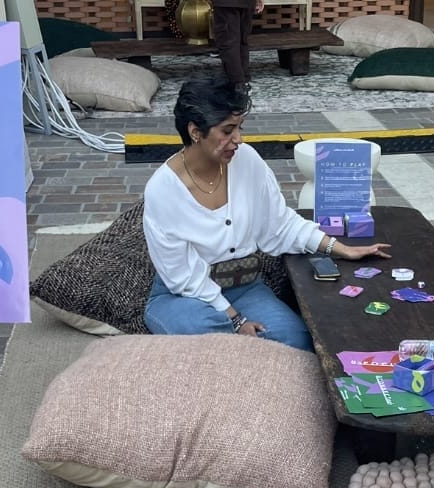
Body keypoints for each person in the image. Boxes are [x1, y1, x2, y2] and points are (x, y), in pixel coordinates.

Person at [142, 76, 391, 352]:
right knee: (212, 340)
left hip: (245, 288)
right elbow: (182, 276)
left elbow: (280, 225)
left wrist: (339, 248)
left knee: (297, 340)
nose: (238, 139)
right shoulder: (162, 190)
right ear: (195, 131)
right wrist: (236, 321)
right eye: (227, 130)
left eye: (239, 128)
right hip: (184, 295)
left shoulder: (247, 161)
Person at [212, 0, 263, 93]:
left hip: (226, 4)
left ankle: (237, 83)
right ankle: (243, 81)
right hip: (247, 3)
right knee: (241, 41)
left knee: (229, 41)